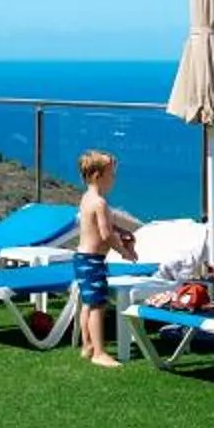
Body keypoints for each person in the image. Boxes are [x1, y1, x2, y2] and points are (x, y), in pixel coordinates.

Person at [72, 148, 141, 368]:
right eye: (112, 174)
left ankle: (87, 345)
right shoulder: (100, 203)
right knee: (97, 306)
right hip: (93, 261)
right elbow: (105, 234)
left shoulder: (87, 198)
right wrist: (124, 251)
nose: (114, 179)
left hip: (82, 258)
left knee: (88, 303)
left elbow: (105, 226)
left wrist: (121, 231)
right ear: (97, 176)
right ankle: (99, 352)